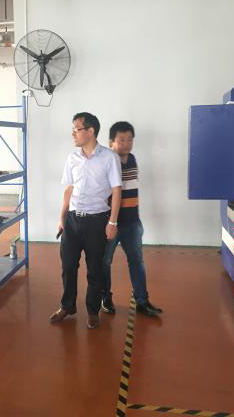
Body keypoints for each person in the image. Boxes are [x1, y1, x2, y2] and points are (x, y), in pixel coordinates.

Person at [50, 112, 122, 329]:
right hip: (73, 220)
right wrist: (62, 218)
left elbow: (116, 191)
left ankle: (92, 310)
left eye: (77, 129)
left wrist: (112, 222)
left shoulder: (109, 158)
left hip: (97, 221)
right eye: (73, 129)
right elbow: (69, 189)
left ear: (91, 131)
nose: (73, 133)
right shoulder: (72, 158)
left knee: (95, 269)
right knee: (68, 266)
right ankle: (67, 306)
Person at [101, 121, 162, 316]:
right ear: (111, 142)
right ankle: (105, 298)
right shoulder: (107, 162)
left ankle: (142, 300)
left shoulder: (132, 159)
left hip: (132, 222)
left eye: (130, 139)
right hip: (111, 224)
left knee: (137, 261)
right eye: (121, 140)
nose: (126, 143)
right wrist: (110, 222)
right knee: (104, 262)